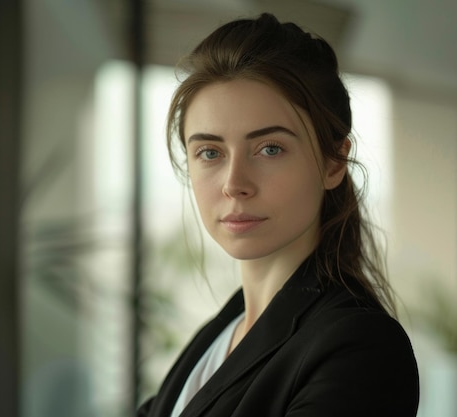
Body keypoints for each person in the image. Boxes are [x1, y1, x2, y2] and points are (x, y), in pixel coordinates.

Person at [138, 12, 419, 417]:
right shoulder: (223, 333)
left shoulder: (359, 348)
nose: (234, 184)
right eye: (210, 153)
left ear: (334, 162)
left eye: (269, 148)